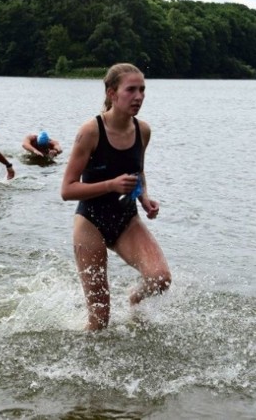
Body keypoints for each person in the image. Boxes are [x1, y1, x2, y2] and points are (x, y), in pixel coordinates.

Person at [60, 63, 171, 331]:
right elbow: (67, 189)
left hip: (126, 220)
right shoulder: (91, 131)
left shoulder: (143, 130)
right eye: (131, 90)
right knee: (100, 319)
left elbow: (138, 171)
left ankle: (134, 300)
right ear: (112, 93)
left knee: (160, 278)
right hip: (91, 223)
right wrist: (110, 184)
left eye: (142, 90)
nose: (139, 97)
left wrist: (144, 197)